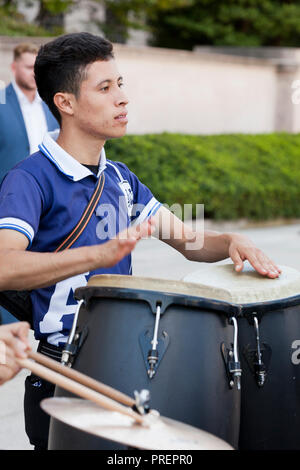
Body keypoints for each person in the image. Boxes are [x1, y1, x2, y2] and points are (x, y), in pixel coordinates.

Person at [0, 33, 280, 449]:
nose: (123, 98)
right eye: (105, 87)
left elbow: (188, 240)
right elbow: (5, 267)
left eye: (121, 84)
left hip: (128, 368)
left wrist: (230, 241)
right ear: (66, 103)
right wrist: (99, 254)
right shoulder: (29, 179)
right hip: (62, 372)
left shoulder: (119, 178)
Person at [0, 42, 58, 325]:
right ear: (13, 68)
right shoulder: (0, 102)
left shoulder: (50, 107)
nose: (34, 73)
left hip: (42, 203)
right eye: (27, 67)